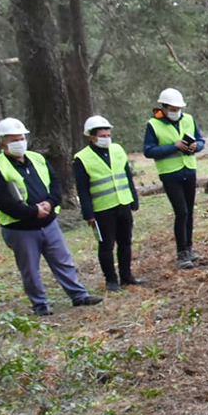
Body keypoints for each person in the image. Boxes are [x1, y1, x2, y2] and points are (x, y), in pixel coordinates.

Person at [0, 118, 103, 316]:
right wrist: (33, 211)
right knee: (30, 269)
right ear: (3, 142)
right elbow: (2, 201)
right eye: (14, 139)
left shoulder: (38, 159)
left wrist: (50, 202)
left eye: (22, 138)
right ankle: (40, 305)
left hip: (49, 223)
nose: (20, 142)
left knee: (63, 261)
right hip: (20, 229)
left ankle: (79, 295)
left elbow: (56, 184)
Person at [73, 115, 145, 291]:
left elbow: (127, 175)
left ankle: (126, 276)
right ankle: (111, 280)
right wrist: (88, 213)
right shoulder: (82, 158)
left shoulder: (118, 150)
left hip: (123, 203)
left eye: (108, 134)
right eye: (102, 135)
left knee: (125, 242)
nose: (107, 138)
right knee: (106, 245)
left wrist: (133, 198)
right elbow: (82, 189)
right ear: (92, 137)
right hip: (102, 208)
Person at [143, 88, 205, 269]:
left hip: (189, 171)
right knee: (181, 212)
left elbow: (201, 141)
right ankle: (181, 253)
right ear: (164, 107)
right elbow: (149, 150)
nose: (176, 111)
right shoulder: (153, 125)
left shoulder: (188, 119)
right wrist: (174, 146)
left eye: (178, 108)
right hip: (170, 174)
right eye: (172, 108)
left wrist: (195, 146)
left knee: (190, 212)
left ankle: (189, 248)